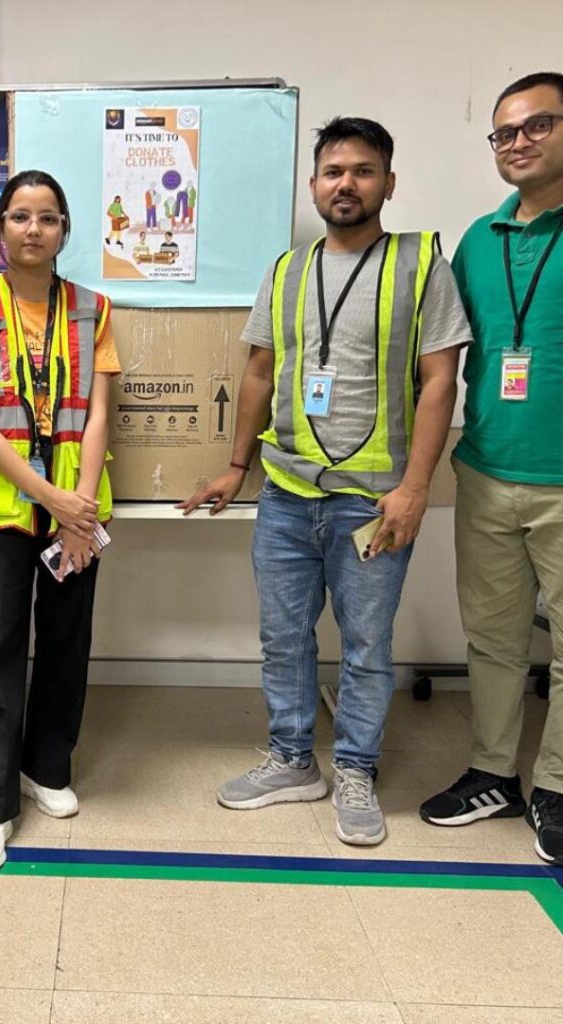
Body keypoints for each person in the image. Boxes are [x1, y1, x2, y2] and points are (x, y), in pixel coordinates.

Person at [178, 117, 471, 846]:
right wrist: (238, 466)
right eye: (334, 171)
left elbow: (441, 382)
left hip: (374, 500)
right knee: (283, 636)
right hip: (286, 495)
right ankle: (290, 760)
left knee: (367, 644)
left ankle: (356, 770)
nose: (347, 183)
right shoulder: (285, 270)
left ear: (388, 183)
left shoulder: (420, 264)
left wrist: (414, 489)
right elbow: (257, 372)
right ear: (314, 186)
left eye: (363, 170)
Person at [0, 169, 121, 869]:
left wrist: (77, 506)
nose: (33, 229)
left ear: (64, 230)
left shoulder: (93, 309)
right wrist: (51, 497)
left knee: (67, 642)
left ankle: (48, 767)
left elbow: (100, 411)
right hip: (2, 509)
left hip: (76, 511)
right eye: (20, 216)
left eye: (48, 218)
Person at [420, 72, 563, 866]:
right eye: (504, 133)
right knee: (495, 638)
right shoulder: (480, 239)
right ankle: (494, 774)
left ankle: (558, 786)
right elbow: (446, 358)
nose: (517, 142)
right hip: (486, 471)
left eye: (536, 125)